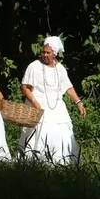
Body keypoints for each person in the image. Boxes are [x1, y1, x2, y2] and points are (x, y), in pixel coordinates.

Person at [19, 36, 85, 165]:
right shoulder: (34, 66)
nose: (45, 55)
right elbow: (25, 87)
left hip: (56, 106)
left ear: (54, 53)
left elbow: (68, 87)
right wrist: (35, 102)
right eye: (43, 52)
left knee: (62, 132)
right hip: (39, 105)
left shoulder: (59, 68)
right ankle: (39, 162)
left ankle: (62, 162)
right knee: (42, 132)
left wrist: (78, 102)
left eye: (48, 52)